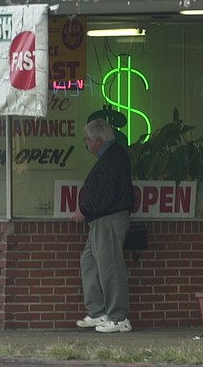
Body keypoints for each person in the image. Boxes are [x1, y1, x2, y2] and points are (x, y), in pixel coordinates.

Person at [70, 118, 136, 333]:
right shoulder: (110, 157)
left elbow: (104, 196)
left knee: (110, 267)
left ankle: (119, 317)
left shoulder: (113, 158)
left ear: (98, 140)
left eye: (87, 140)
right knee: (89, 263)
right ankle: (98, 312)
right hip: (100, 221)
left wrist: (84, 210)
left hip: (108, 219)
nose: (86, 144)